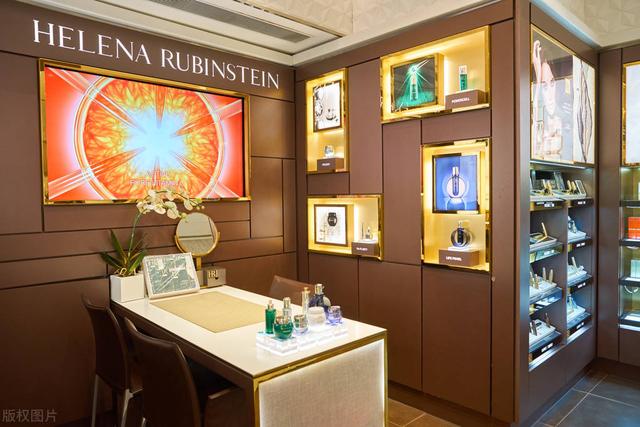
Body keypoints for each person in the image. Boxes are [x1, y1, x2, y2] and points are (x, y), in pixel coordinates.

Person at [532, 39, 564, 160]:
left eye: (552, 83)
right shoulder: (535, 119)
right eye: (544, 86)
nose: (550, 93)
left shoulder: (562, 117)